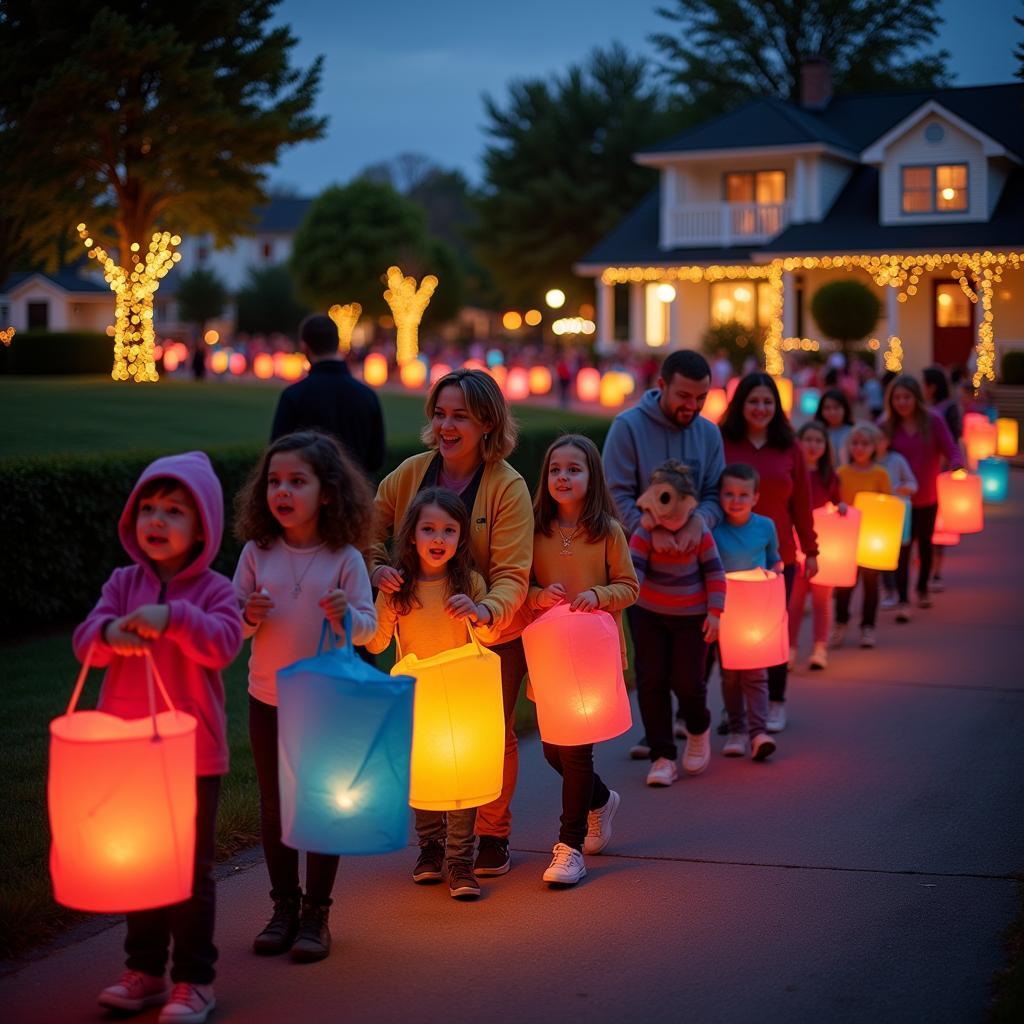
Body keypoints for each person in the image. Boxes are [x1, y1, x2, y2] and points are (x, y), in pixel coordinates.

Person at [74, 452, 243, 1024]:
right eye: (147, 509)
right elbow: (85, 643)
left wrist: (173, 619)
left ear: (203, 528)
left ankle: (194, 981)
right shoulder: (123, 584)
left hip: (192, 753)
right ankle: (144, 970)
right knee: (141, 864)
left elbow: (223, 644)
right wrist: (110, 631)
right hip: (127, 752)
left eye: (174, 511)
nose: (157, 520)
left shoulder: (216, 591)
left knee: (188, 871)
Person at [369, 369, 532, 878]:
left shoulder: (507, 486)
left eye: (460, 415)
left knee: (491, 735)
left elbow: (511, 572)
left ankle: (491, 834)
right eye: (440, 413)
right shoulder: (410, 474)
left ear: (487, 421)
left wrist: (487, 609)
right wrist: (377, 567)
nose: (446, 425)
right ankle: (433, 841)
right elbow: (368, 531)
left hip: (489, 632)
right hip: (422, 628)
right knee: (428, 738)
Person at [233, 431, 377, 963]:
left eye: (297, 481)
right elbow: (234, 627)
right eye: (274, 481)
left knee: (319, 806)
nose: (282, 491)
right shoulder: (257, 551)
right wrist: (247, 615)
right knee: (275, 805)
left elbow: (368, 629)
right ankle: (284, 907)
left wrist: (348, 614)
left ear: (329, 492)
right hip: (267, 698)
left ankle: (317, 913)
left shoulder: (344, 557)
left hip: (324, 700)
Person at [367, 488, 500, 900]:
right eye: (428, 529)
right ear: (411, 535)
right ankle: (430, 848)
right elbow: (375, 643)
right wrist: (382, 597)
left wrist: (476, 613)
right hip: (418, 697)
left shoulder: (470, 583)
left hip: (461, 698)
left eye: (448, 530)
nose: (438, 539)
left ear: (461, 538)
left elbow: (492, 636)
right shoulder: (400, 588)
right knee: (424, 774)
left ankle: (461, 860)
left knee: (462, 777)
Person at [602, 349, 725, 758]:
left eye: (700, 398)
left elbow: (714, 495)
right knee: (652, 670)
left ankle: (688, 727)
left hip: (694, 579)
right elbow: (615, 493)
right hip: (643, 574)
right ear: (661, 387)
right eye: (684, 396)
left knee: (688, 674)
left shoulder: (708, 434)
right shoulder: (628, 427)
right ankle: (658, 741)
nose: (692, 406)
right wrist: (649, 531)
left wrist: (696, 523)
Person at [528, 435, 638, 884]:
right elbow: (522, 587)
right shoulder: (535, 530)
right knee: (554, 750)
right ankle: (601, 800)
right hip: (551, 655)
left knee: (575, 753)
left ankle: (569, 848)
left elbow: (630, 587)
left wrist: (599, 594)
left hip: (592, 653)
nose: (563, 477)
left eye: (574, 469)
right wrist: (538, 595)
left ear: (591, 477)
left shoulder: (607, 531)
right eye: (555, 469)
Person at [721, 373, 818, 733]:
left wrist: (812, 549)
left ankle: (775, 701)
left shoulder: (790, 447)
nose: (760, 408)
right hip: (727, 559)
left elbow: (803, 503)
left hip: (778, 560)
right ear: (739, 405)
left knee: (773, 633)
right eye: (753, 401)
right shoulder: (724, 442)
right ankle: (734, 711)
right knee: (729, 639)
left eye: (767, 402)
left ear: (776, 406)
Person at [628, 461, 726, 786]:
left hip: (691, 616)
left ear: (686, 500)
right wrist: (625, 591)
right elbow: (634, 569)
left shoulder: (699, 529)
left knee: (687, 682)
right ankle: (663, 756)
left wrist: (715, 612)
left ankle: (698, 728)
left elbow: (714, 571)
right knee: (652, 680)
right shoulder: (645, 530)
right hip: (649, 614)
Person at [712, 463, 782, 761]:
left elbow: (774, 562)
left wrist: (774, 585)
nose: (736, 500)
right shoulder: (714, 530)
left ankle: (758, 732)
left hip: (757, 612)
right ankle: (737, 729)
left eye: (743, 494)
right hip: (726, 612)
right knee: (730, 675)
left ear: (755, 497)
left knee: (756, 673)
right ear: (719, 496)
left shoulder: (765, 526)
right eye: (729, 494)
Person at [881, 375, 963, 621]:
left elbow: (951, 448)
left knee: (925, 544)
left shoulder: (933, 420)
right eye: (897, 398)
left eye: (906, 397)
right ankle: (903, 597)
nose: (902, 402)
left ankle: (922, 588)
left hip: (927, 495)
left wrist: (957, 464)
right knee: (901, 550)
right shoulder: (886, 425)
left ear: (916, 398)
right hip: (899, 501)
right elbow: (871, 448)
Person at [270, 314, 385, 477]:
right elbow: (376, 460)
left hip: (309, 497)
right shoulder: (368, 396)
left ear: (304, 347)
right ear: (337, 344)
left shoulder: (294, 396)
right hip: (356, 496)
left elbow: (278, 453)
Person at [788, 422, 845, 671]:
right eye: (807, 439)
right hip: (795, 546)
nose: (812, 445)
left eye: (818, 441)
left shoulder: (829, 476)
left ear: (826, 446)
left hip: (824, 548)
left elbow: (838, 501)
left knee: (822, 601)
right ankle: (789, 648)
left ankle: (819, 647)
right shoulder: (791, 472)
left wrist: (841, 507)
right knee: (795, 602)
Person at [832, 423, 891, 648]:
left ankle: (868, 627)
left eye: (865, 444)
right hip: (847, 539)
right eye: (855, 443)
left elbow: (887, 504)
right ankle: (840, 623)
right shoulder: (842, 473)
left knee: (870, 583)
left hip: (872, 539)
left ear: (874, 447)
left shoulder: (880, 474)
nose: (859, 448)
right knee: (844, 585)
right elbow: (835, 500)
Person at [875, 432, 918, 610]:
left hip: (897, 513)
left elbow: (913, 484)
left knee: (901, 557)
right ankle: (888, 590)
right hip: (876, 517)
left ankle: (902, 596)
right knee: (881, 554)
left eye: (880, 439)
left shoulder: (896, 460)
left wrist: (900, 489)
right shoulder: (869, 464)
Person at [815, 388, 854, 466]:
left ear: (845, 409)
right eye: (827, 408)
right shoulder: (816, 433)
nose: (832, 412)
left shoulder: (853, 432)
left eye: (836, 407)